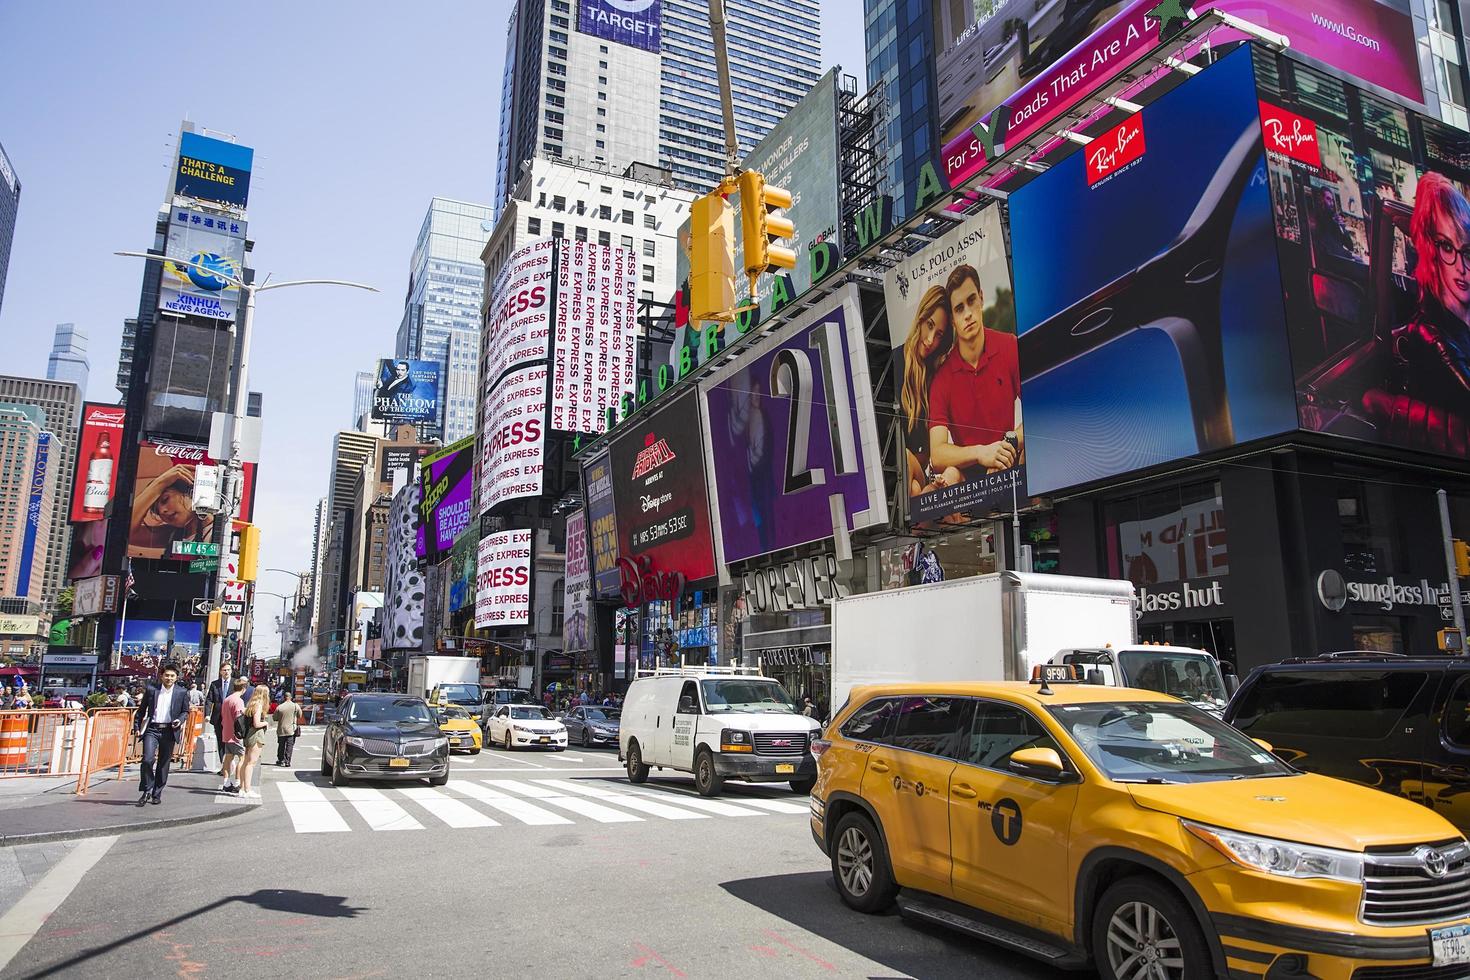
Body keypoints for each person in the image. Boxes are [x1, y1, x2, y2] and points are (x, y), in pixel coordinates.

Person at [927, 264, 1023, 485]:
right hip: (969, 479)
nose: (968, 314)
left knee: (1033, 453)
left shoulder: (1009, 345)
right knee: (948, 475)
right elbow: (938, 454)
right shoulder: (942, 378)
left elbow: (1039, 412)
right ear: (952, 319)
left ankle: (1047, 518)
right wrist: (981, 453)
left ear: (981, 298)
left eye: (971, 301)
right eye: (959, 308)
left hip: (1010, 462)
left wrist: (1004, 449)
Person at [1391, 171, 1470, 415]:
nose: (1461, 266)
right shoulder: (1432, 335)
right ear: (1430, 251)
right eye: (1447, 246)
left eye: (1467, 250)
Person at [899, 285, 962, 497]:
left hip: (915, 467)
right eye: (930, 326)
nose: (930, 340)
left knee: (910, 467)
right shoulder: (895, 361)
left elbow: (930, 453)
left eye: (939, 335)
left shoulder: (934, 376)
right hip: (895, 471)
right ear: (921, 318)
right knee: (915, 486)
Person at [132, 662, 190, 806]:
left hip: (169, 730)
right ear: (162, 676)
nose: (169, 678)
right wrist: (137, 727)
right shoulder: (152, 690)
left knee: (163, 763)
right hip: (152, 728)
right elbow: (141, 710)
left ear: (176, 677)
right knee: (147, 759)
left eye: (172, 676)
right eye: (166, 675)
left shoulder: (181, 692)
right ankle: (146, 790)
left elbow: (185, 711)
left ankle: (157, 793)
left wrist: (179, 720)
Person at [128, 463, 214, 554]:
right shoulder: (171, 535)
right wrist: (159, 483)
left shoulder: (221, 530)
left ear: (189, 491)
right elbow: (123, 531)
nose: (162, 511)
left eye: (165, 499)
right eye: (157, 511)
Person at [238, 684, 270, 799]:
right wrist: (265, 723)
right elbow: (257, 723)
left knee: (246, 762)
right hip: (256, 735)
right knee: (251, 763)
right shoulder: (259, 705)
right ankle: (247, 789)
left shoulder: (251, 704)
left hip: (248, 734)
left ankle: (242, 788)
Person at [219, 677, 248, 795]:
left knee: (228, 757)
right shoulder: (238, 701)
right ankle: (237, 783)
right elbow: (239, 718)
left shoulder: (227, 700)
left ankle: (226, 782)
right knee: (242, 758)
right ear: (243, 688)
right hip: (236, 734)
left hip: (226, 732)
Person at [204, 662, 236, 768]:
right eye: (224, 670)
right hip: (218, 717)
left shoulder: (235, 683)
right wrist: (207, 714)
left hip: (231, 718)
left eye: (228, 670)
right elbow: (209, 700)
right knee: (220, 741)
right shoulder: (215, 684)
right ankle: (224, 765)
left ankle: (230, 762)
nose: (226, 672)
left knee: (230, 741)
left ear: (231, 671)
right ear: (220, 672)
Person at [273, 691, 301, 767]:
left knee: (281, 745)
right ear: (291, 697)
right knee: (289, 745)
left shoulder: (279, 707)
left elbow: (274, 718)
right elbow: (300, 715)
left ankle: (280, 760)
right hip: (291, 729)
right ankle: (287, 761)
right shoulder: (295, 706)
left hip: (281, 729)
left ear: (284, 698)